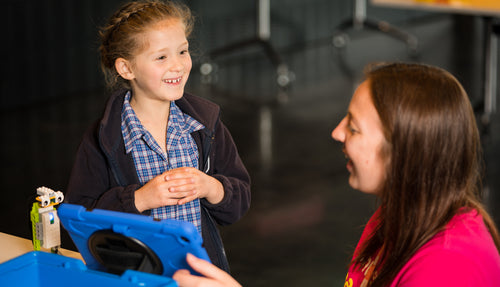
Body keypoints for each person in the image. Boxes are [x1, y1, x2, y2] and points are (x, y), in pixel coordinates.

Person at [172, 62, 500, 286]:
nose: (337, 132)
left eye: (354, 128)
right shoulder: (400, 215)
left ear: (403, 151)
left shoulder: (448, 266)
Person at [65, 0, 251, 272]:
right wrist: (140, 199)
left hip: (198, 276)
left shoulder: (205, 125)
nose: (177, 65)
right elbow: (80, 221)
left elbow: (239, 201)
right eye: (161, 57)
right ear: (126, 69)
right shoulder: (103, 139)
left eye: (182, 51)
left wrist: (210, 187)